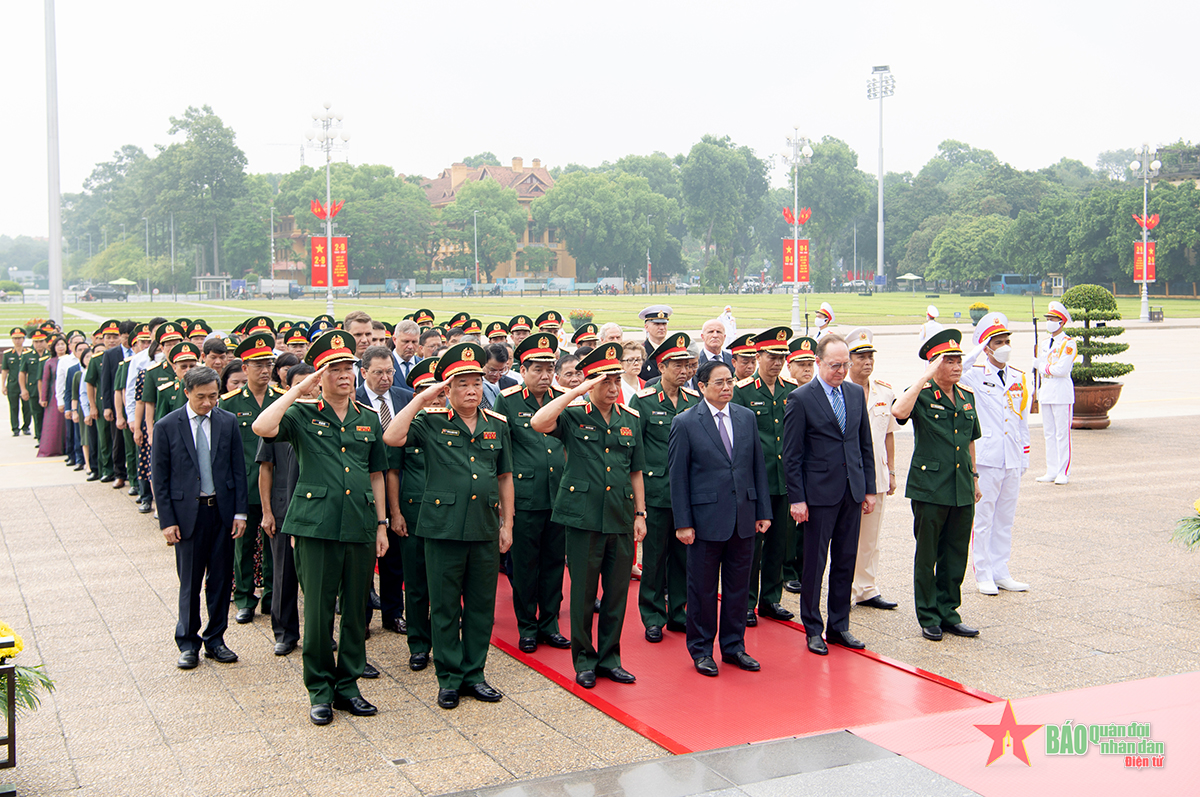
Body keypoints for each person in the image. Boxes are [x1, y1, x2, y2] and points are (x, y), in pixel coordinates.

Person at [252, 330, 390, 726]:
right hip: (315, 525)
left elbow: (376, 473)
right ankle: (319, 690)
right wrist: (300, 391)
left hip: (360, 522)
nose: (344, 375)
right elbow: (263, 427)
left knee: (355, 612)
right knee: (317, 611)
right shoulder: (302, 413)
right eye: (334, 369)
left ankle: (348, 686)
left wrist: (380, 524)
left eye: (348, 367)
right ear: (320, 375)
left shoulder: (366, 416)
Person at [384, 342, 514, 710]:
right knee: (443, 607)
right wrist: (423, 398)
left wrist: (508, 523)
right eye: (462, 384)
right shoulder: (430, 422)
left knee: (479, 605)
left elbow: (505, 477)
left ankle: (475, 674)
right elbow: (392, 437)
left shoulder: (497, 425)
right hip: (441, 529)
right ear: (448, 389)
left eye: (476, 383)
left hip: (485, 527)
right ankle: (449, 678)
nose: (472, 390)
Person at [531, 344, 647, 689]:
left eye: (616, 382)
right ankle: (584, 659)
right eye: (605, 382)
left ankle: (610, 658)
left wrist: (640, 513)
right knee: (583, 593)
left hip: (621, 515)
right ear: (591, 383)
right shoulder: (574, 415)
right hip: (582, 517)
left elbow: (636, 471)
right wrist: (575, 392)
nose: (613, 389)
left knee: (615, 594)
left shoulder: (630, 420)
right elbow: (539, 422)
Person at [669, 359, 771, 676]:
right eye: (719, 383)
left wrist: (762, 511)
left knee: (738, 587)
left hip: (743, 517)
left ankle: (734, 646)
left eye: (729, 381)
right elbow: (678, 476)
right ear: (701, 387)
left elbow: (757, 467)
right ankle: (701, 649)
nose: (727, 387)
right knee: (701, 589)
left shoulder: (745, 417)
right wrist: (683, 522)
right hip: (704, 520)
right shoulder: (686, 422)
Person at [784, 334, 876, 655]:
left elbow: (864, 444)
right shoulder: (801, 398)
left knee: (845, 561)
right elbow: (792, 454)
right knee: (815, 563)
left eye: (845, 365)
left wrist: (869, 489)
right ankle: (812, 627)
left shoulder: (853, 393)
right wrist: (797, 498)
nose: (841, 371)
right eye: (835, 365)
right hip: (818, 494)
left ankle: (840, 626)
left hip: (851, 490)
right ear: (819, 362)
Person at [152, 366, 248, 671]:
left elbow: (238, 470)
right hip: (187, 516)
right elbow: (161, 478)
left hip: (221, 512)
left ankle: (216, 639)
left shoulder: (227, 421)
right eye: (201, 397)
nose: (208, 403)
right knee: (190, 582)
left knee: (220, 580)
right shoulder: (167, 426)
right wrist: (167, 521)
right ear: (187, 393)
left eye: (213, 396)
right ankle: (188, 642)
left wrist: (240, 512)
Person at [890, 329, 983, 642]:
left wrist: (974, 477)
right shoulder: (921, 394)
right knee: (928, 553)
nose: (957, 366)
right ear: (933, 365)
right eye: (949, 361)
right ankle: (928, 614)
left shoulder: (967, 396)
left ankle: (949, 612)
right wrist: (924, 378)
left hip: (961, 487)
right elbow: (899, 412)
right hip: (930, 487)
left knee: (955, 553)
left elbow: (970, 440)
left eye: (958, 360)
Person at [493, 334, 570, 654]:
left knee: (554, 563)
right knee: (525, 565)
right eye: (537, 369)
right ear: (522, 370)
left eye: (549, 369)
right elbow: (501, 449)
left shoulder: (562, 397)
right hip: (525, 496)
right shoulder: (508, 400)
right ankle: (527, 625)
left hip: (559, 496)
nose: (544, 376)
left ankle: (549, 624)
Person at [631, 333, 699, 642]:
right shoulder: (644, 401)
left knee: (683, 556)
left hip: (686, 492)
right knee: (655, 557)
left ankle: (679, 612)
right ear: (662, 365)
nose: (684, 371)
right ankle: (653, 615)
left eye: (687, 365)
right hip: (656, 491)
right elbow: (635, 448)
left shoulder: (694, 401)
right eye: (678, 365)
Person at [732, 326, 798, 627]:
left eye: (782, 356)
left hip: (783, 480)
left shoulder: (791, 390)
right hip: (755, 482)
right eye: (772, 356)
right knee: (752, 545)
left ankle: (770, 599)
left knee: (779, 543)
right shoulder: (743, 391)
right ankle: (746, 602)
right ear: (758, 356)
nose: (777, 362)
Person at [961, 313, 1030, 595]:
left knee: (1005, 518)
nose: (1004, 347)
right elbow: (957, 367)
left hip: (1011, 456)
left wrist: (1024, 457)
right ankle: (983, 572)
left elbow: (1022, 420)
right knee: (984, 518)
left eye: (1006, 341)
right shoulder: (976, 375)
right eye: (997, 342)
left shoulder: (1019, 377)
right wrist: (979, 346)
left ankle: (1001, 570)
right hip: (988, 458)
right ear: (987, 347)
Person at [220, 333, 283, 628]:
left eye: (268, 363)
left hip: (274, 485)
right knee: (243, 544)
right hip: (244, 485)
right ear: (244, 368)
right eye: (257, 364)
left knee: (273, 543)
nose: (264, 369)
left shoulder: (281, 399)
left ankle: (272, 596)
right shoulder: (230, 403)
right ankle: (245, 599)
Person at [258, 363, 318, 657]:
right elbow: (266, 469)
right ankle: (284, 632)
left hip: (316, 510)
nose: (309, 391)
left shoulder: (324, 420)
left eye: (313, 384)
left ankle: (319, 633)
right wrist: (267, 511)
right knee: (283, 575)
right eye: (301, 386)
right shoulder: (280, 420)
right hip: (283, 508)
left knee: (316, 579)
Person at [355, 345, 414, 636]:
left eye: (389, 371)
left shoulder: (406, 398)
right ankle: (362, 617)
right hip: (364, 489)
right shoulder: (354, 400)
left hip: (399, 485)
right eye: (378, 372)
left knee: (394, 560)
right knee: (364, 560)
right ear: (364, 372)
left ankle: (393, 613)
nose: (385, 378)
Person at [843, 328, 900, 611]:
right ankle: (843, 589)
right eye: (861, 357)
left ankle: (866, 588)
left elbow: (888, 434)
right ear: (849, 359)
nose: (867, 362)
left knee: (871, 537)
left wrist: (891, 471)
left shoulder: (884, 391)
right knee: (844, 536)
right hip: (845, 475)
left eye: (870, 357)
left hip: (875, 473)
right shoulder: (839, 390)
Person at [396, 357, 439, 672]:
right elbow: (392, 472)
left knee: (444, 585)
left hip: (445, 518)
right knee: (415, 585)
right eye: (425, 390)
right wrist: (394, 513)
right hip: (412, 514)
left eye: (438, 390)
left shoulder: (453, 423)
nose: (432, 396)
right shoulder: (406, 424)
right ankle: (418, 644)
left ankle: (443, 639)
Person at [782, 335, 817, 595]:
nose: (806, 369)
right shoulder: (787, 393)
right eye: (800, 364)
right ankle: (786, 570)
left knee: (808, 524)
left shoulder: (817, 393)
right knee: (787, 525)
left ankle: (802, 567)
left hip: (812, 468)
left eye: (810, 364)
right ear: (789, 365)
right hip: (788, 467)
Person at [1033, 301, 1076, 485]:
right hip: (1047, 390)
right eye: (1048, 318)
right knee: (1048, 433)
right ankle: (1051, 470)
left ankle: (1063, 471)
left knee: (1062, 434)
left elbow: (1062, 369)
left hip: (1061, 391)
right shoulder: (1043, 343)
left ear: (1062, 322)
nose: (1049, 322)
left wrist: (1041, 366)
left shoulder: (1069, 343)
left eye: (1053, 319)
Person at [100, 320, 134, 489]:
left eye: (130, 337)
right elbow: (106, 383)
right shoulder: (111, 354)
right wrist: (107, 406)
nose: (127, 341)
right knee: (118, 441)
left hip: (134, 403)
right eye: (125, 337)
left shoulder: (139, 352)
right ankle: (119, 474)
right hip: (117, 404)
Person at [37, 335, 68, 457]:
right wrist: (43, 398)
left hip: (68, 393)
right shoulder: (50, 362)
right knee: (55, 423)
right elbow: (45, 381)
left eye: (62, 344)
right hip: (54, 396)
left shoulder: (71, 359)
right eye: (58, 345)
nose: (60, 347)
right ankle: (53, 448)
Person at [3, 327, 32, 436]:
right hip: (13, 383)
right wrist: (3, 385)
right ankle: (15, 428)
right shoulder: (8, 354)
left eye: (19, 338)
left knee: (27, 406)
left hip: (26, 383)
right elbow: (5, 370)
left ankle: (26, 426)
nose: (17, 341)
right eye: (15, 338)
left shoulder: (28, 353)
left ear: (23, 339)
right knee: (14, 406)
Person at [638, 305, 672, 382]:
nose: (662, 328)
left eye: (664, 324)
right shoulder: (641, 352)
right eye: (657, 324)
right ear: (646, 327)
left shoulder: (672, 350)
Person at [481, 343, 517, 409]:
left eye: (501, 370)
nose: (497, 375)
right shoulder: (476, 386)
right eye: (492, 370)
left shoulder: (512, 385)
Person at [392, 319, 422, 383]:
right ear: (394, 340)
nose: (410, 346)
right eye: (406, 342)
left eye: (414, 342)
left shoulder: (422, 365)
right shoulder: (386, 365)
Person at [618, 339, 645, 404]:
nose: (636, 363)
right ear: (620, 363)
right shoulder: (616, 388)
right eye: (630, 360)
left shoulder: (647, 386)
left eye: (639, 359)